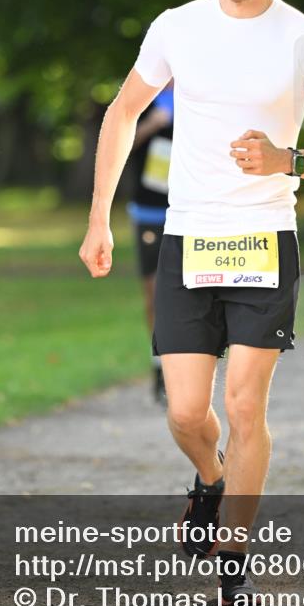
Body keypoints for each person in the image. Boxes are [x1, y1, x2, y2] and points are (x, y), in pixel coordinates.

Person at [79, 0, 304, 606]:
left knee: (243, 406)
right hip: (188, 238)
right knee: (183, 413)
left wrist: (285, 160)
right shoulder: (176, 27)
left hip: (264, 240)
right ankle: (209, 480)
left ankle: (234, 545)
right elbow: (121, 114)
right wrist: (98, 220)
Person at [127, 82, 173, 403]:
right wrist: (151, 124)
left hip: (195, 210)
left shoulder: (205, 86)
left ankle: (189, 368)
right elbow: (119, 143)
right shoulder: (142, 95)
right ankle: (160, 365)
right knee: (154, 292)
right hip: (150, 211)